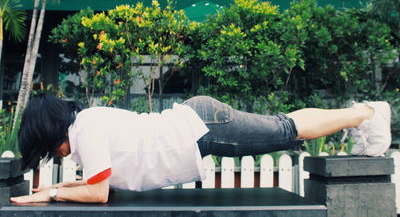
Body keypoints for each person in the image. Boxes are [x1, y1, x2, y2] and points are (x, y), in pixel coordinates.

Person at [10, 93, 391, 204]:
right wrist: (53, 192)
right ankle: (361, 115)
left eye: (49, 149)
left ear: (52, 132)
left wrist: (57, 192)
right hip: (199, 126)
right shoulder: (85, 126)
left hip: (202, 130)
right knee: (283, 126)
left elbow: (98, 192)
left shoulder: (86, 130)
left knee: (286, 130)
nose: (57, 155)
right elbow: (96, 183)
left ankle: (367, 113)